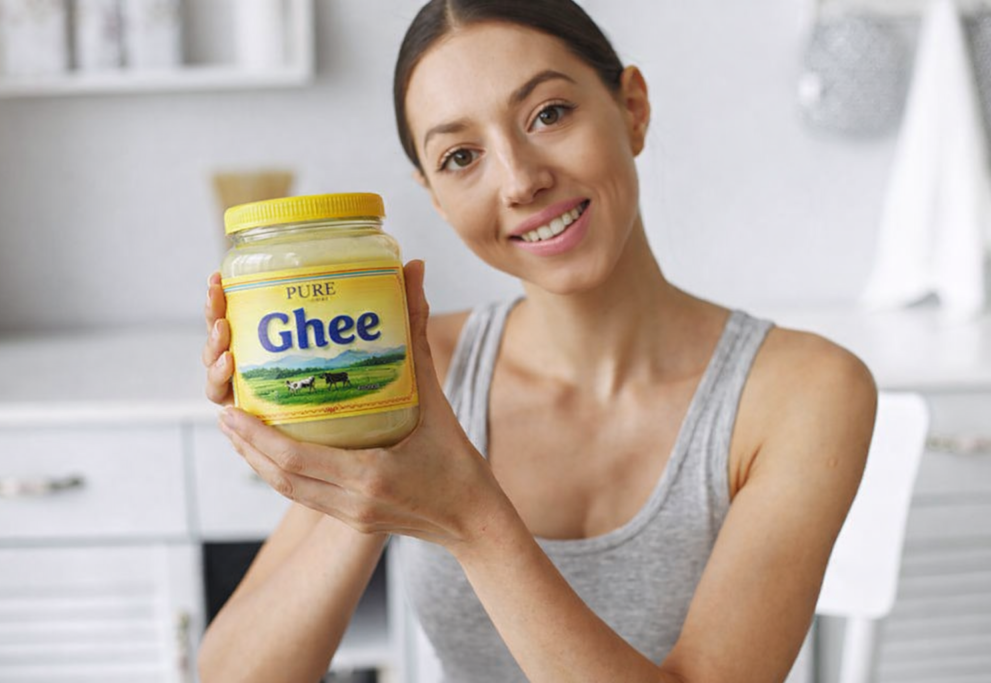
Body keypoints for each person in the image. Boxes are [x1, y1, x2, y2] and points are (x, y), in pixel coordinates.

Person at [197, 1, 879, 681]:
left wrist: (471, 519)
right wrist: (367, 471)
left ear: (633, 109)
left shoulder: (804, 392)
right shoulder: (416, 373)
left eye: (548, 114)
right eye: (461, 156)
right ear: (435, 196)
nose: (521, 181)